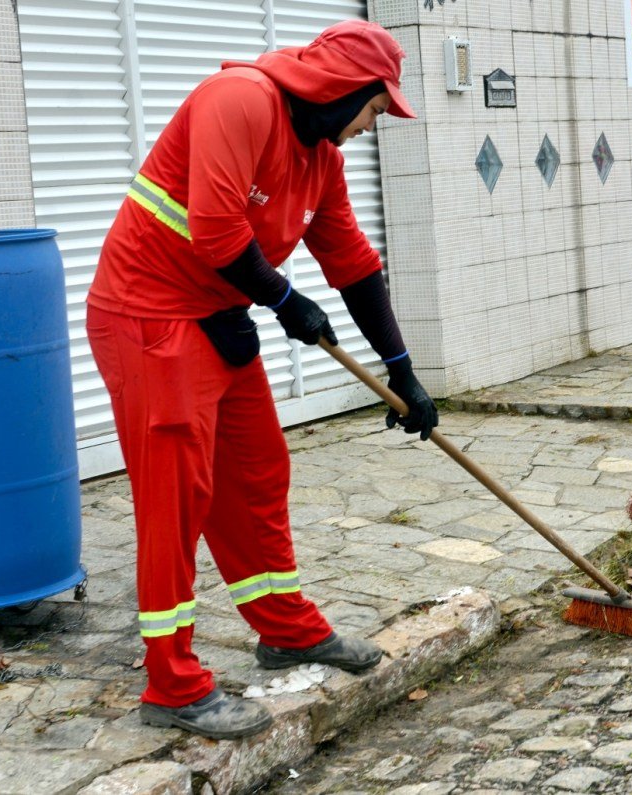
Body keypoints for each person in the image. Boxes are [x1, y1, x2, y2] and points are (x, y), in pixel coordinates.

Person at [85, 19, 439, 740]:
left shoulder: (320, 158)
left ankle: (286, 629)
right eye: (376, 109)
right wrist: (283, 301)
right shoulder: (238, 99)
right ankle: (173, 684)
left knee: (255, 471)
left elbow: (355, 265)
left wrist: (404, 373)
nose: (373, 126)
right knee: (177, 492)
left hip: (215, 309)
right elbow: (216, 230)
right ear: (346, 90)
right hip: (147, 313)